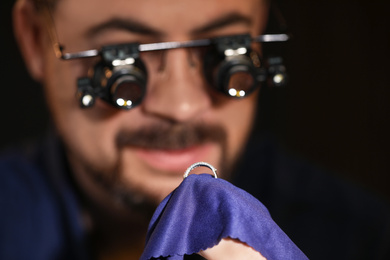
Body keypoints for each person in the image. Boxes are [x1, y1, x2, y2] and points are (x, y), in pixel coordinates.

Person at [1, 0, 389, 259]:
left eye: (226, 51)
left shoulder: (365, 238)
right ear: (35, 39)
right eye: (124, 61)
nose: (181, 108)